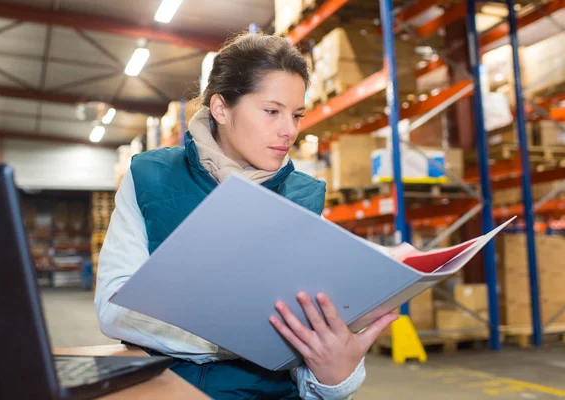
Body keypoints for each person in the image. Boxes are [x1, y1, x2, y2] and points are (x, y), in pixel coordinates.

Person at [95, 32, 398, 399]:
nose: (289, 130)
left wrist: (337, 376)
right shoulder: (150, 178)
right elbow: (114, 306)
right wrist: (233, 340)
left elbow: (309, 370)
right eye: (272, 111)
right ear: (221, 109)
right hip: (165, 387)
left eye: (297, 115)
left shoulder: (303, 196)